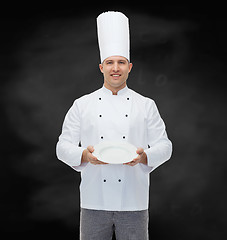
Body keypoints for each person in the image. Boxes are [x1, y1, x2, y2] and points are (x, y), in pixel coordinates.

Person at [56, 11, 172, 240]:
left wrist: (144, 156)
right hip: (93, 201)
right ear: (101, 67)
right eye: (110, 62)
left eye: (121, 62)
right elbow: (62, 147)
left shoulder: (146, 105)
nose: (115, 68)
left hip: (134, 202)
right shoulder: (82, 104)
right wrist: (84, 155)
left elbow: (165, 146)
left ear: (130, 66)